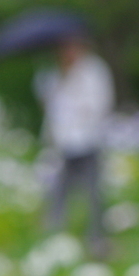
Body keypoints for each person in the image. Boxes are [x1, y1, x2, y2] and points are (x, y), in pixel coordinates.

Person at [35, 33, 114, 255]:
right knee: (57, 190)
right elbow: (50, 105)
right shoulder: (53, 73)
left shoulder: (94, 71)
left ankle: (96, 238)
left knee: (93, 191)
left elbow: (99, 104)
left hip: (88, 139)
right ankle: (54, 236)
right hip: (62, 141)